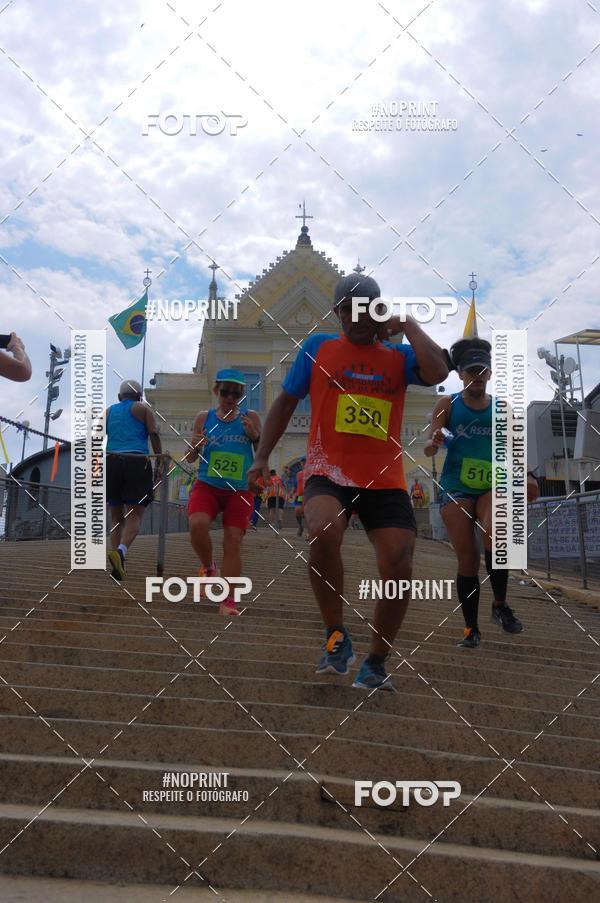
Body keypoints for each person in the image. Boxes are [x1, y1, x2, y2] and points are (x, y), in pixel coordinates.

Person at [248, 274, 449, 690]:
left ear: (378, 310)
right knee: (322, 530)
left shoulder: (399, 356)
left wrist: (408, 324)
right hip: (328, 470)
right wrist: (262, 456)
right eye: (347, 310)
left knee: (399, 561)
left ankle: (375, 662)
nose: (356, 317)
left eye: (366, 308)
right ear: (337, 313)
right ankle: (336, 636)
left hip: (384, 477)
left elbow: (439, 369)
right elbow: (285, 402)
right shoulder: (319, 348)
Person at [425, 338, 539, 647]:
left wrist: (527, 475)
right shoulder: (447, 404)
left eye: (482, 371)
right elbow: (432, 441)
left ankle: (500, 606)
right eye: (471, 371)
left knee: (497, 532)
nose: (477, 377)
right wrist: (435, 441)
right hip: (456, 485)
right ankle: (471, 628)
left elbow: (516, 448)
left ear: (489, 374)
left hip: (492, 482)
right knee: (468, 557)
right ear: (460, 374)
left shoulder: (503, 408)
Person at [182, 369, 261, 616]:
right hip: (208, 485)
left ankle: (228, 600)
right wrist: (195, 445)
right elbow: (191, 457)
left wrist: (255, 436)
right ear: (217, 391)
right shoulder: (204, 417)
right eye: (225, 391)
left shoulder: (251, 417)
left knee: (233, 540)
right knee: (197, 524)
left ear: (242, 394)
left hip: (239, 489)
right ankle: (208, 567)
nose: (230, 397)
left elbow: (262, 452)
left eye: (235, 393)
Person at [106, 379, 162, 580]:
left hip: (111, 461)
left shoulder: (108, 411)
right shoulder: (143, 408)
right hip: (136, 461)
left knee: (115, 518)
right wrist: (159, 460)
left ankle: (119, 565)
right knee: (135, 516)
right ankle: (121, 551)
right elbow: (153, 433)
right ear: (139, 396)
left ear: (119, 397)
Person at [294, 465, 305, 536]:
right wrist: (292, 493)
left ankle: (310, 532)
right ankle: (300, 526)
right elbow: (296, 485)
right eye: (303, 462)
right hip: (300, 496)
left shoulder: (314, 472)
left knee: (309, 513)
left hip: (311, 494)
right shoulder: (298, 474)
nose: (304, 463)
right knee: (297, 510)